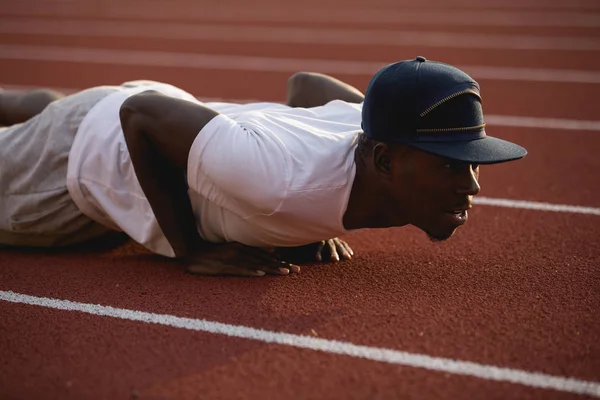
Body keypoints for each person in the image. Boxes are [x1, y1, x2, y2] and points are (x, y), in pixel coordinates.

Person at [0, 56, 527, 277]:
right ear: (386, 159)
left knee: (56, 109)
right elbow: (139, 116)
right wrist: (193, 250)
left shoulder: (368, 134)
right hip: (80, 159)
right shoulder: (277, 182)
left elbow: (306, 86)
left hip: (149, 106)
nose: (471, 185)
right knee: (51, 127)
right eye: (451, 166)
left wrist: (302, 230)